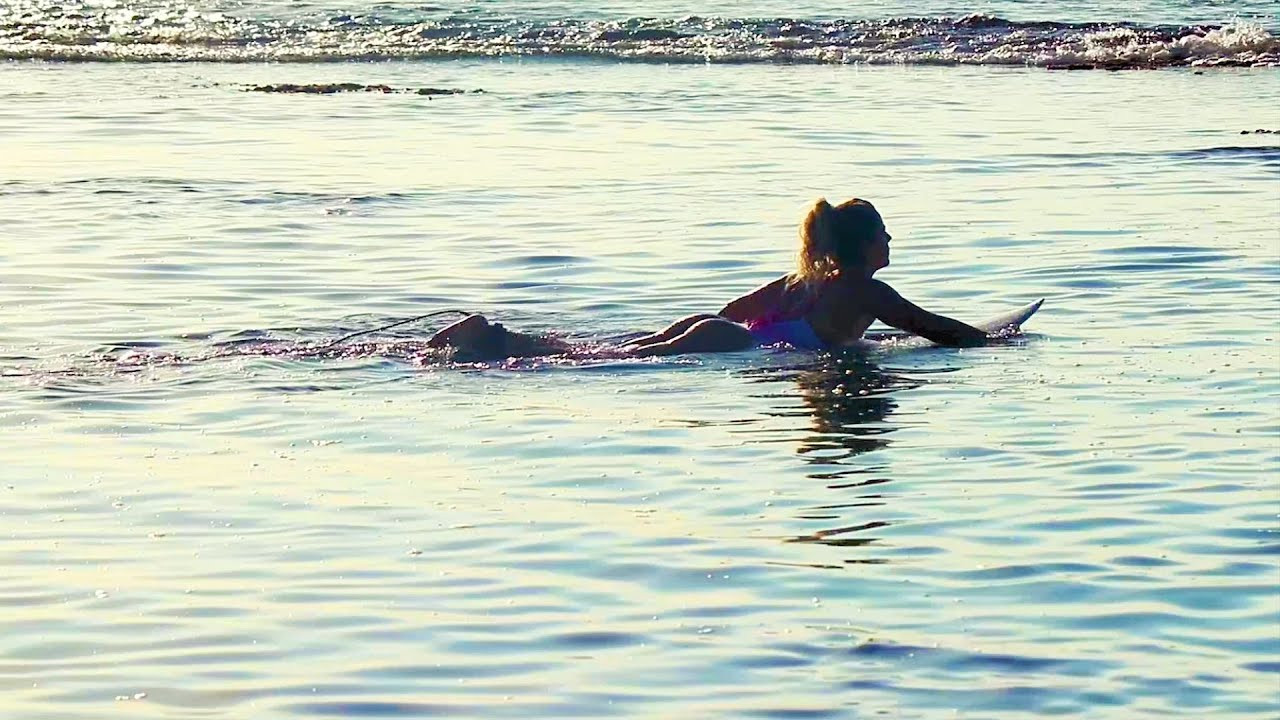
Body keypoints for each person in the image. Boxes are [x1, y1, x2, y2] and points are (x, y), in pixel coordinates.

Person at [428, 198, 988, 360]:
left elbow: (736, 306)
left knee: (596, 352)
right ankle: (490, 342)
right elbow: (932, 327)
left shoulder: (804, 280)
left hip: (718, 329)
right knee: (597, 359)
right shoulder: (869, 291)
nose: (891, 242)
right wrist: (993, 341)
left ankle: (493, 337)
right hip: (729, 342)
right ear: (864, 245)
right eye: (884, 234)